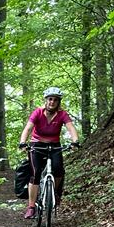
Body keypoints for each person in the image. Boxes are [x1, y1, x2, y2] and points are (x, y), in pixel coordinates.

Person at [17, 88, 80, 219]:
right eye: (50, 99)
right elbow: (28, 128)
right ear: (46, 100)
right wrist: (23, 142)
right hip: (37, 144)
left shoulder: (62, 114)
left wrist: (75, 141)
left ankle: (55, 193)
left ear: (58, 102)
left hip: (54, 145)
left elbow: (71, 128)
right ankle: (31, 207)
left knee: (58, 170)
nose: (52, 102)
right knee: (35, 173)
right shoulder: (38, 113)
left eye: (55, 100)